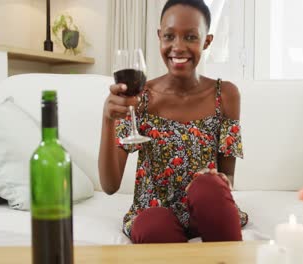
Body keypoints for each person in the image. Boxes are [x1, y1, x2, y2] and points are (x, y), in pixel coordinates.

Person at [98, 0, 248, 244]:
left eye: (190, 37)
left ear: (207, 41)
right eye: (169, 36)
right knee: (152, 223)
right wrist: (107, 120)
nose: (178, 47)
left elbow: (227, 178)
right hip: (154, 214)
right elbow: (109, 185)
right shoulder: (140, 98)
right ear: (159, 37)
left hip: (203, 209)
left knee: (208, 186)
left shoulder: (226, 95)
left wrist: (216, 180)